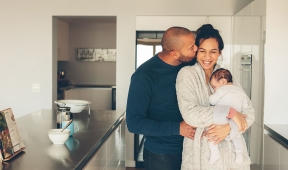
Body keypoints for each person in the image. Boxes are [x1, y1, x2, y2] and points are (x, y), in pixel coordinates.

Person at [176, 24, 255, 170]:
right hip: (201, 158)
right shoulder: (187, 74)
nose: (207, 57)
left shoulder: (226, 75)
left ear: (220, 53)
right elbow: (191, 114)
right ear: (196, 51)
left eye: (213, 52)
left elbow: (249, 113)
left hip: (233, 159)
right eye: (202, 51)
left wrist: (229, 128)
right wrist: (231, 113)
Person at [126, 26, 198, 170]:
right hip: (162, 156)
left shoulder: (188, 66)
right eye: (191, 47)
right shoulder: (144, 76)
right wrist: (177, 128)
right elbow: (134, 123)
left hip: (192, 150)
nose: (196, 48)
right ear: (174, 54)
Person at [208, 68, 249, 165]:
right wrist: (242, 113)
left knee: (210, 132)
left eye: (214, 87)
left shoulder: (221, 90)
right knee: (237, 137)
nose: (214, 89)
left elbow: (212, 101)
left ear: (223, 81)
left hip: (223, 116)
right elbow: (246, 105)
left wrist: (210, 96)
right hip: (236, 119)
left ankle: (215, 152)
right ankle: (239, 155)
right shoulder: (240, 91)